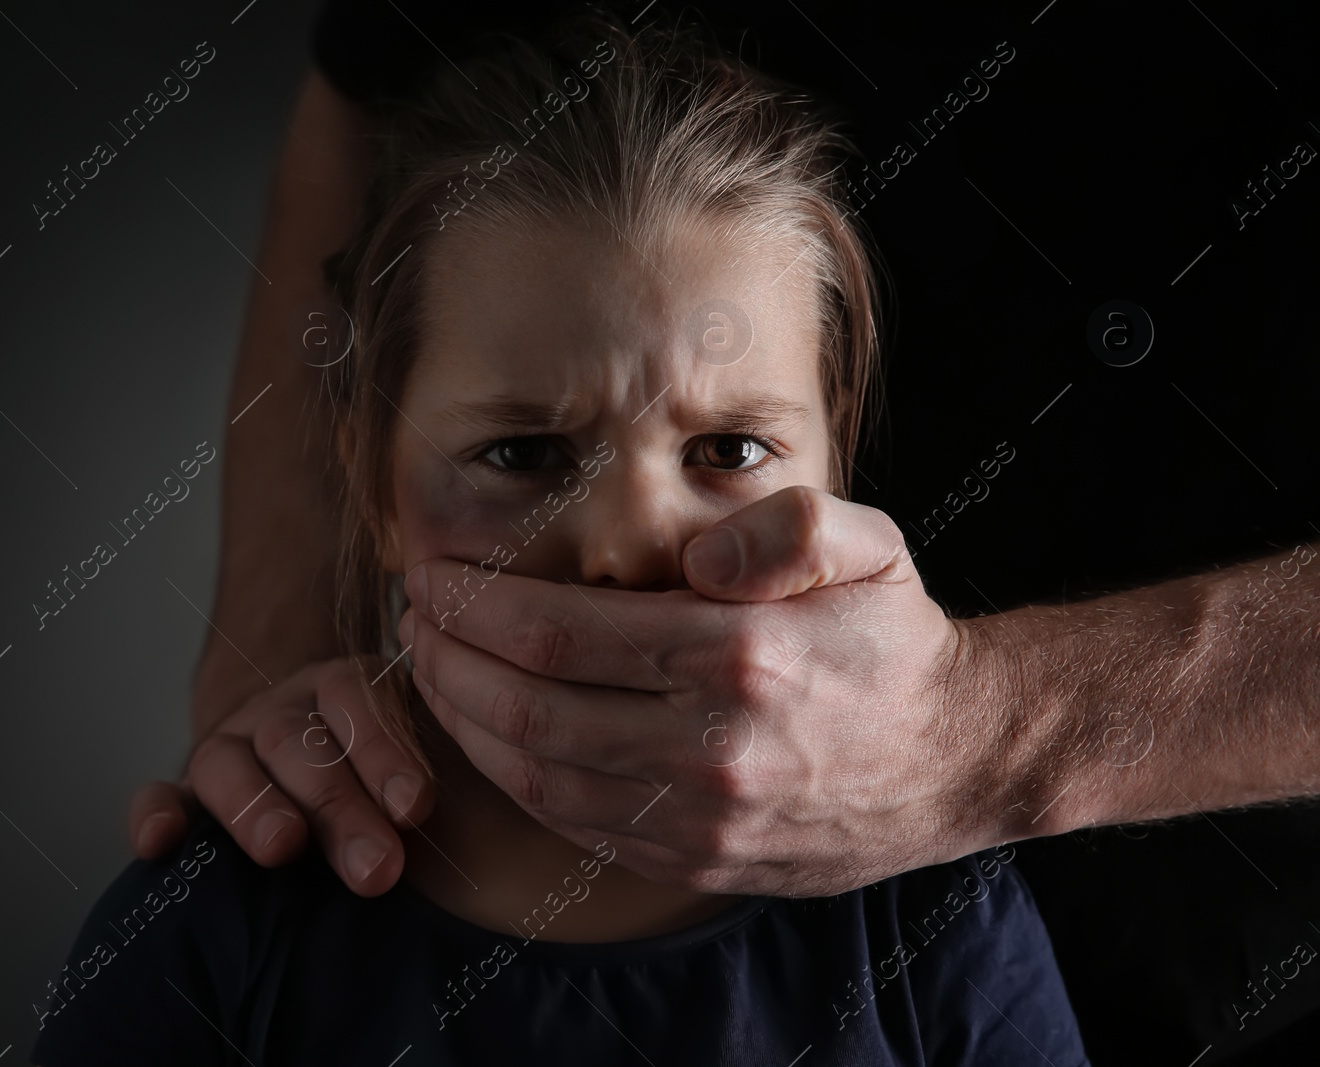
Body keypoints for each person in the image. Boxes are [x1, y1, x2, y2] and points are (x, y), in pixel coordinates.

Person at [130, 0, 1320, 1063]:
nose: (627, 547)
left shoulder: (936, 931)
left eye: (728, 450)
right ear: (369, 476)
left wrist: (986, 730)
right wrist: (275, 675)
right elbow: (366, 72)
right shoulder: (220, 930)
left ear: (835, 450)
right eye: (523, 454)